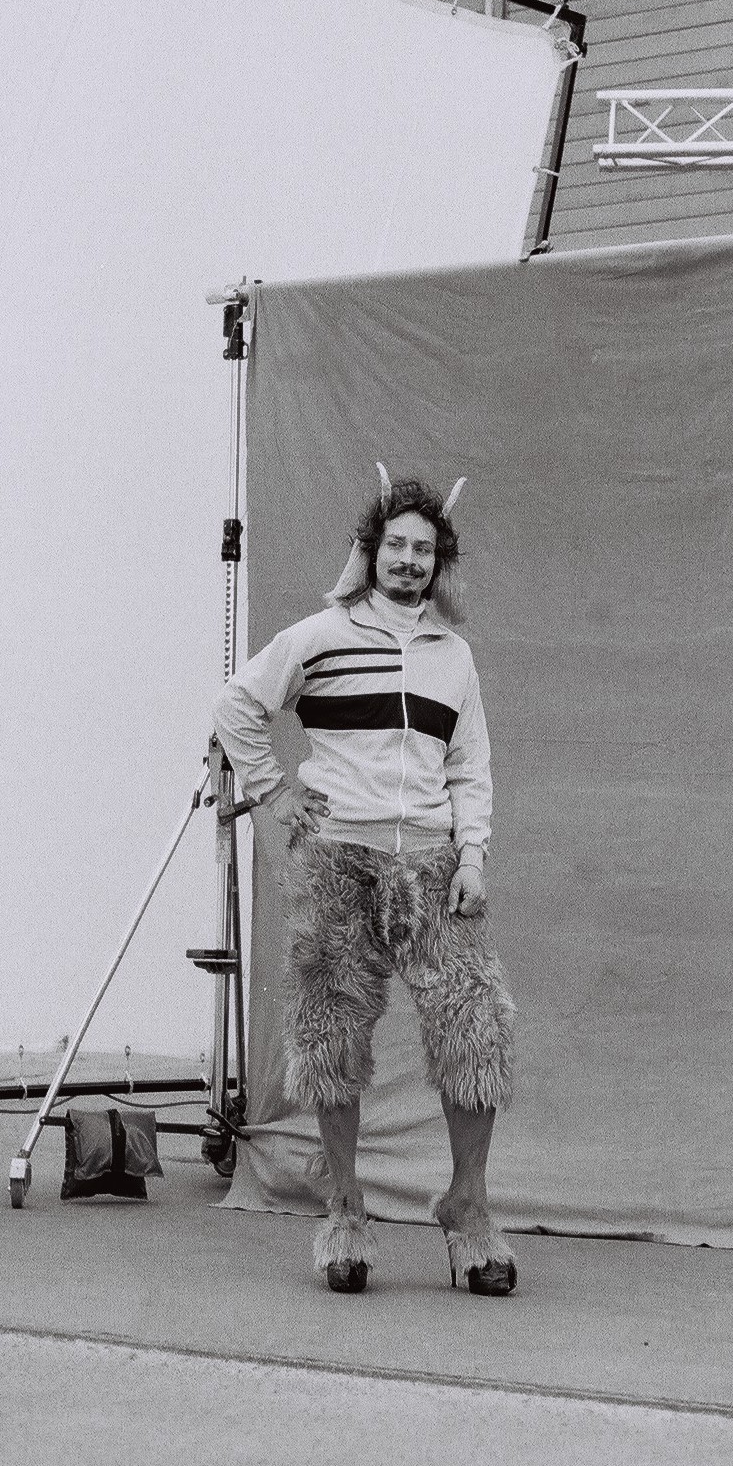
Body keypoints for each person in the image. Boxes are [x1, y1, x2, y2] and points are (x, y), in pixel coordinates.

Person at [211, 466, 517, 1296]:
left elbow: (471, 765)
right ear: (372, 551)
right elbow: (237, 705)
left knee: (477, 1029)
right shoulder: (322, 635)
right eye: (397, 545)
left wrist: (473, 857)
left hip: (432, 865)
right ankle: (345, 1211)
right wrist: (276, 792)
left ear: (438, 562)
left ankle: (467, 1208)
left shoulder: (455, 657)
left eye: (424, 549)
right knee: (330, 1038)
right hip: (337, 861)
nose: (409, 560)